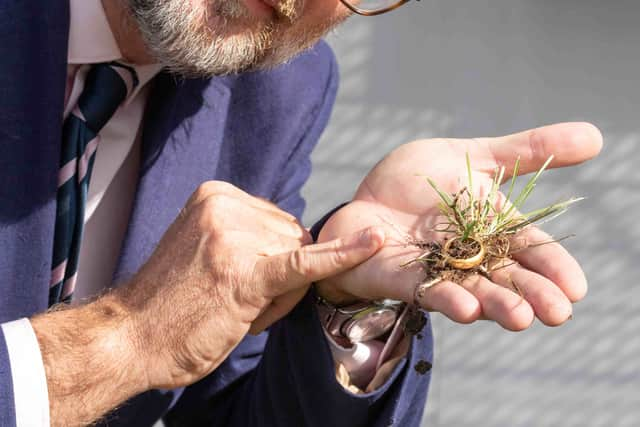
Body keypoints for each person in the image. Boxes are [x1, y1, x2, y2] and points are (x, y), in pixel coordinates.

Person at [0, 0, 603, 426]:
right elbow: (147, 341)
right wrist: (129, 337)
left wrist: (345, 299)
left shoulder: (279, 86)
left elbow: (224, 398)